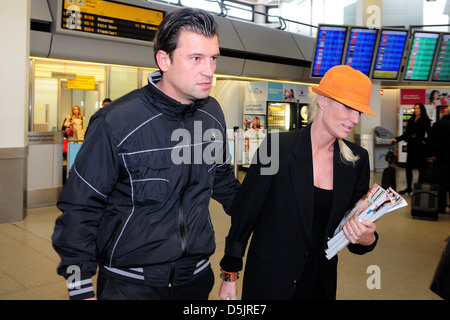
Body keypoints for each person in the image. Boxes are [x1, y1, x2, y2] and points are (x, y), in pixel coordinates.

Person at [52, 8, 240, 300]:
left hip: (196, 279)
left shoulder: (212, 113)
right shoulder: (117, 121)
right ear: (164, 59)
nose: (209, 70)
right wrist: (80, 287)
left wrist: (272, 211)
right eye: (196, 58)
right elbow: (80, 206)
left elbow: (223, 181)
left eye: (213, 58)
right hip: (131, 286)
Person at [218, 65, 378, 300]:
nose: (355, 119)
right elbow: (245, 216)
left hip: (319, 285)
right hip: (269, 282)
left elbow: (353, 228)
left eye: (359, 112)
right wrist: (230, 274)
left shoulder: (356, 161)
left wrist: (368, 239)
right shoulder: (277, 149)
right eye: (348, 107)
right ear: (323, 101)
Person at [391, 103, 431, 195]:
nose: (416, 110)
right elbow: (406, 134)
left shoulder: (425, 120)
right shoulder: (411, 120)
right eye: (415, 108)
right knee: (408, 168)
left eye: (418, 108)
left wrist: (425, 141)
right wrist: (396, 139)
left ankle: (419, 188)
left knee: (421, 169)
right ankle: (409, 188)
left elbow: (429, 133)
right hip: (412, 146)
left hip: (420, 148)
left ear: (422, 110)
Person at [427, 107, 450, 214]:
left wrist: (430, 155)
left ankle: (441, 207)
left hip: (441, 158)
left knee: (441, 183)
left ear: (446, 112)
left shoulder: (439, 124)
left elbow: (431, 141)